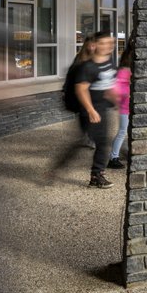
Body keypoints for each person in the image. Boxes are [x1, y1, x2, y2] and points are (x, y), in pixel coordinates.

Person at [49, 32, 118, 188]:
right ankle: (96, 176)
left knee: (90, 142)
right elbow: (81, 89)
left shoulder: (110, 63)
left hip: (103, 108)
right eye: (103, 43)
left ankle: (59, 169)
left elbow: (110, 84)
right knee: (102, 142)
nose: (108, 46)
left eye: (110, 43)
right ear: (94, 45)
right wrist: (91, 110)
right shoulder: (87, 66)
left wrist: (115, 99)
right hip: (90, 111)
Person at [108, 44, 134, 170]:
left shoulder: (126, 71)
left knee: (124, 132)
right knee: (122, 132)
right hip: (125, 108)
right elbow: (116, 89)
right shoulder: (124, 71)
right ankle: (113, 158)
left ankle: (114, 155)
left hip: (128, 107)